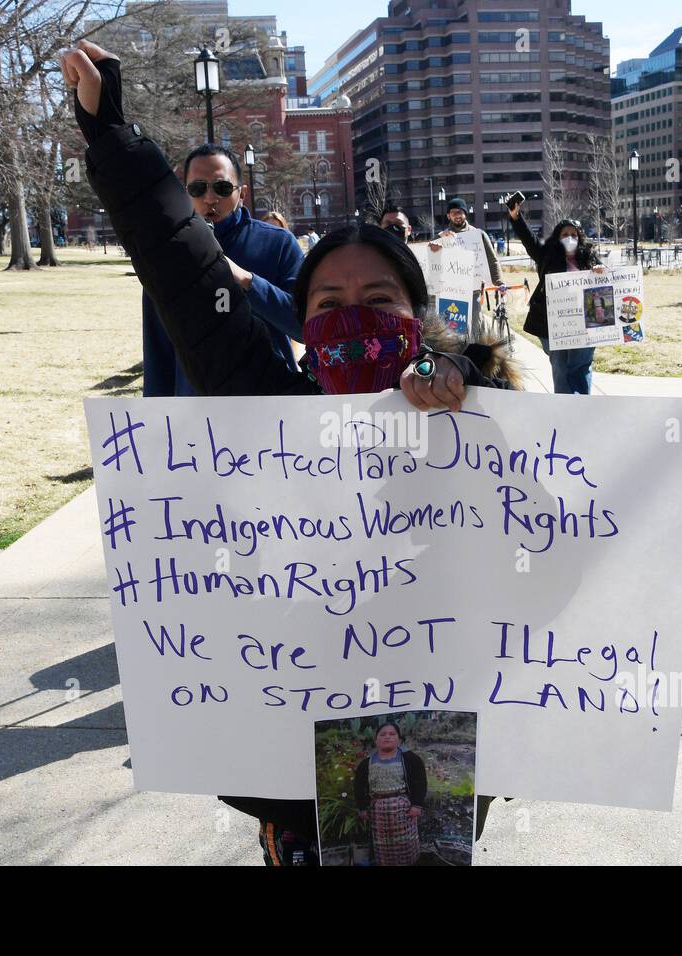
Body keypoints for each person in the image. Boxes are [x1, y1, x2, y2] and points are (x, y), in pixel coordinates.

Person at [62, 39, 513, 864]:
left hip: (438, 761)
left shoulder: (467, 412)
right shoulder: (267, 410)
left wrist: (468, 390)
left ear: (418, 317)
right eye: (329, 302)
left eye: (377, 300)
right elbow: (186, 272)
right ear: (301, 327)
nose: (354, 315)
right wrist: (114, 142)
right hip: (295, 774)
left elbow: (552, 521)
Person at [141, 144, 304, 397]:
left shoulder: (279, 244)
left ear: (242, 193)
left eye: (222, 187)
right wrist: (155, 419)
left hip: (271, 403)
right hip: (197, 411)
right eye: (197, 188)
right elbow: (158, 351)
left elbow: (307, 327)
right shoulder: (167, 256)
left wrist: (248, 282)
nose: (209, 198)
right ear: (185, 193)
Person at [507, 194, 601, 394]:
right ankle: (563, 404)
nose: (570, 238)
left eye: (574, 235)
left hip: (584, 321)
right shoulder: (546, 256)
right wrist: (516, 218)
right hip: (552, 322)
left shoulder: (589, 258)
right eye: (565, 234)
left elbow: (604, 282)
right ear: (558, 237)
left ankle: (582, 401)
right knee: (559, 365)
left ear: (580, 237)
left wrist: (600, 269)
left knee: (581, 364)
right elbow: (529, 240)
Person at [354, 722, 428, 866]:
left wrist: (417, 805)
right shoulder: (367, 763)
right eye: (382, 734)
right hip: (378, 810)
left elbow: (420, 782)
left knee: (405, 845)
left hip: (404, 810)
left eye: (392, 734)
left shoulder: (411, 759)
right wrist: (362, 808)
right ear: (376, 740)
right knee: (382, 846)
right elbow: (359, 786)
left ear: (399, 739)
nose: (387, 737)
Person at [439, 197, 502, 287]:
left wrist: (499, 282)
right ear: (448, 216)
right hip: (451, 289)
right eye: (453, 213)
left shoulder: (479, 235)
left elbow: (492, 260)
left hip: (475, 288)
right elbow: (432, 262)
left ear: (465, 214)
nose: (457, 216)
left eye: (460, 212)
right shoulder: (441, 237)